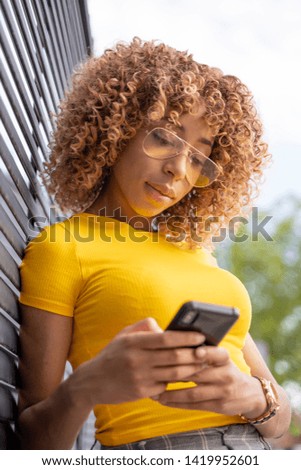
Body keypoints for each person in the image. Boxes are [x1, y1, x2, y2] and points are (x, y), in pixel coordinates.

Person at [18, 37, 291, 450]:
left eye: (199, 158)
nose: (178, 170)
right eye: (164, 137)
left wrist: (254, 397)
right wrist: (85, 388)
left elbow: (280, 421)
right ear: (116, 130)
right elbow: (32, 446)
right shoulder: (62, 248)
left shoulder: (197, 254)